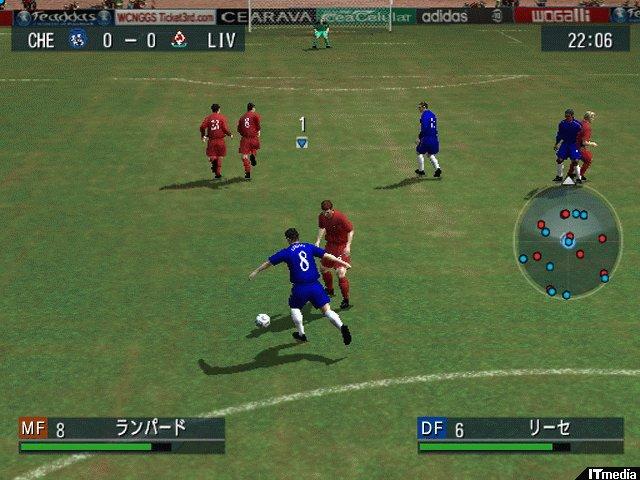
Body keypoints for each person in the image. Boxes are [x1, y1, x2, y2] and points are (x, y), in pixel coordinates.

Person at [249, 228, 352, 345]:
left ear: (288, 239)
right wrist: (343, 263)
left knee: (295, 307)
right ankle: (342, 327)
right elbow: (327, 255)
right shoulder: (308, 246)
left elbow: (269, 263)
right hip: (315, 285)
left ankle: (301, 334)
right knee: (327, 310)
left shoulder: (286, 252)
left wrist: (256, 271)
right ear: (298, 237)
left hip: (300, 287)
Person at [315, 200, 354, 309]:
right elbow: (322, 227)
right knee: (323, 269)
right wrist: (318, 240)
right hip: (330, 246)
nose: (325, 214)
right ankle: (330, 289)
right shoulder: (322, 217)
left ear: (332, 210)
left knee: (340, 272)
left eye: (327, 212)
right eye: (324, 212)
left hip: (341, 246)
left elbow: (350, 231)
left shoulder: (340, 217)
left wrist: (348, 245)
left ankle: (346, 299)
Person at [200, 104, 233, 179]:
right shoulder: (222, 117)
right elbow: (224, 128)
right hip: (220, 140)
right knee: (220, 156)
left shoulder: (208, 118)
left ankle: (213, 160)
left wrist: (203, 136)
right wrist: (230, 134)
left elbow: (202, 127)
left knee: (212, 155)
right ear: (219, 109)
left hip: (211, 140)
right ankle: (218, 173)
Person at [553, 108, 582, 183]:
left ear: (572, 116)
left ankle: (579, 178)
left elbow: (581, 135)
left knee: (575, 161)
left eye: (568, 116)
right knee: (559, 159)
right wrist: (557, 143)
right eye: (565, 116)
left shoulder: (578, 125)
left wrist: (581, 144)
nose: (566, 118)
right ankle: (559, 176)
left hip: (573, 144)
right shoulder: (562, 124)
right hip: (565, 144)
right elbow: (559, 134)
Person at [415, 101, 442, 178]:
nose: (419, 109)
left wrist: (419, 137)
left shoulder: (424, 116)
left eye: (420, 107)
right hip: (434, 137)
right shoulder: (432, 114)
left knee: (419, 152)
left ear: (424, 107)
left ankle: (421, 171)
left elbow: (424, 128)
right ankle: (438, 169)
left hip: (427, 138)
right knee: (430, 153)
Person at [237, 102, 261, 180]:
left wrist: (243, 134)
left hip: (245, 139)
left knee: (244, 156)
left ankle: (247, 173)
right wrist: (258, 131)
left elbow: (239, 129)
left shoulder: (242, 117)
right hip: (253, 137)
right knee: (253, 147)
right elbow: (258, 125)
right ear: (253, 108)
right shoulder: (255, 115)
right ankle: (253, 155)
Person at [575, 111, 598, 182]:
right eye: (592, 117)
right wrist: (592, 144)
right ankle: (579, 176)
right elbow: (584, 142)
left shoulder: (580, 123)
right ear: (589, 118)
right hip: (578, 147)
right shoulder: (587, 127)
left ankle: (577, 175)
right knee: (588, 159)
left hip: (572, 144)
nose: (593, 119)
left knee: (576, 160)